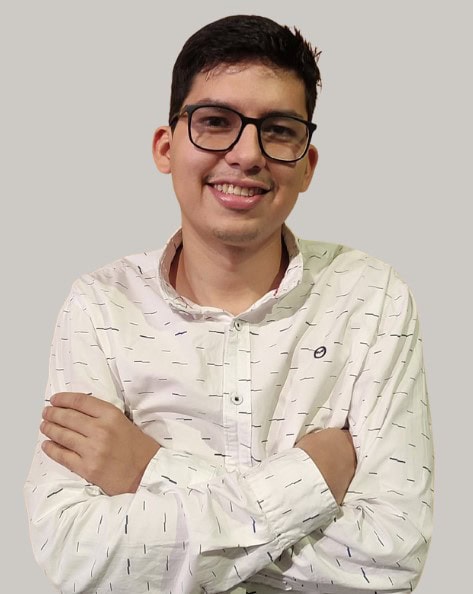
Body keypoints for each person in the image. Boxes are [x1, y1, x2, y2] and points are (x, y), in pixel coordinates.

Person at [24, 14, 434, 594]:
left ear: (307, 165)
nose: (246, 154)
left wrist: (149, 469)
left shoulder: (370, 296)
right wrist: (311, 479)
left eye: (279, 130)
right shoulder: (100, 306)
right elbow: (75, 553)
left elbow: (390, 559)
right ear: (166, 147)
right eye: (216, 122)